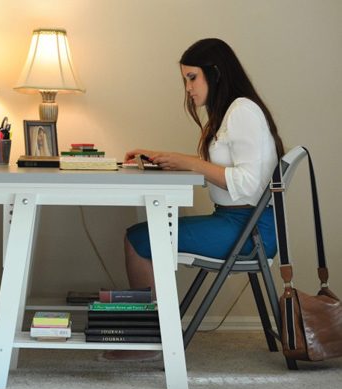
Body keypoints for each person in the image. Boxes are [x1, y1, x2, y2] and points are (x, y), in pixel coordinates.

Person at [102, 38, 284, 361]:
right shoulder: (232, 112)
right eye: (185, 79)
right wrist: (162, 156)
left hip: (249, 232)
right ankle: (149, 333)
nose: (188, 88)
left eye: (192, 77)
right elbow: (226, 170)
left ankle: (145, 342)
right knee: (142, 236)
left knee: (138, 240)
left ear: (214, 74)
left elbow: (249, 184)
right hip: (238, 224)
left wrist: (189, 163)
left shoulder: (243, 111)